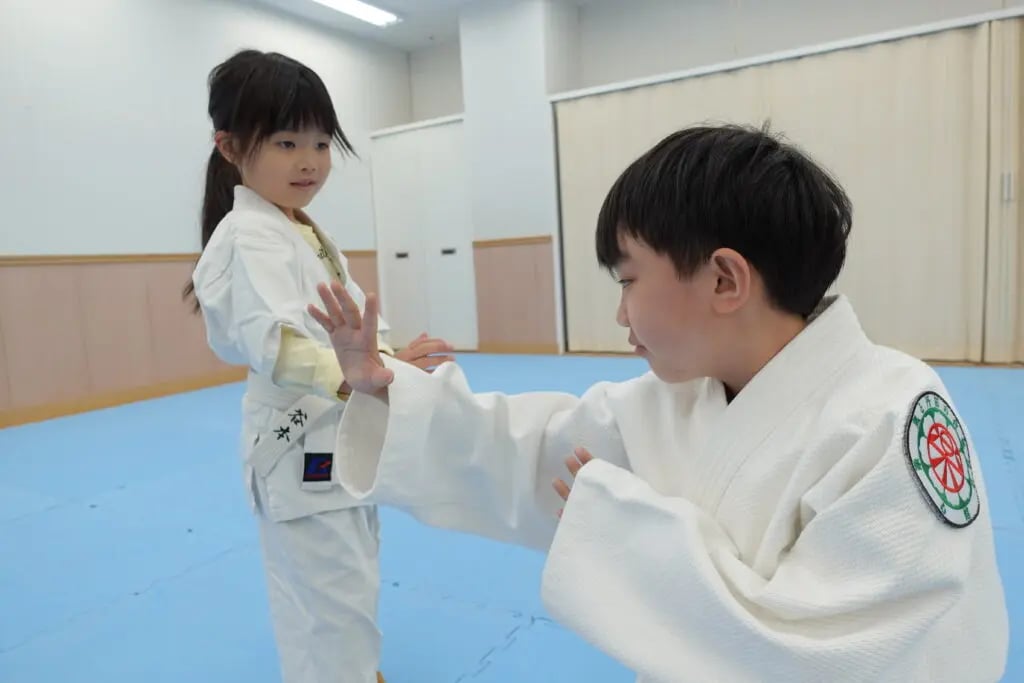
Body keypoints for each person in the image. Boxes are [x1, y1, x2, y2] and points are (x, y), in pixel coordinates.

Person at [308, 124, 1009, 682]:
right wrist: (392, 394)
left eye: (629, 280)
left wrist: (622, 525)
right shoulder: (671, 399)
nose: (621, 314)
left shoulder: (892, 416)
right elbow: (524, 449)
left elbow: (840, 654)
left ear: (725, 280)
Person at [185, 49, 453, 683]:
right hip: (300, 441)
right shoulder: (248, 236)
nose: (309, 161)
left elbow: (347, 327)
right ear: (229, 146)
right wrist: (352, 372)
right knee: (330, 593)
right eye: (285, 142)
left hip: (337, 430)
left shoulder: (301, 229)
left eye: (321, 143)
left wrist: (390, 362)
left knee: (340, 579)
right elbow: (274, 342)